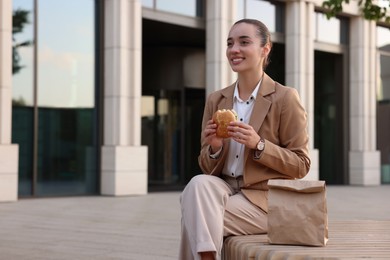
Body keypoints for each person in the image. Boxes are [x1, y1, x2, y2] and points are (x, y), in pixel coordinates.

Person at [179, 19, 311, 260]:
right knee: (197, 185)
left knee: (195, 214)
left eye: (244, 42)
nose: (234, 49)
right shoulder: (216, 100)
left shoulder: (285, 98)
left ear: (265, 49)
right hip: (224, 189)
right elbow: (206, 167)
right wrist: (215, 149)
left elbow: (301, 165)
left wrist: (259, 145)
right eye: (230, 43)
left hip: (263, 201)